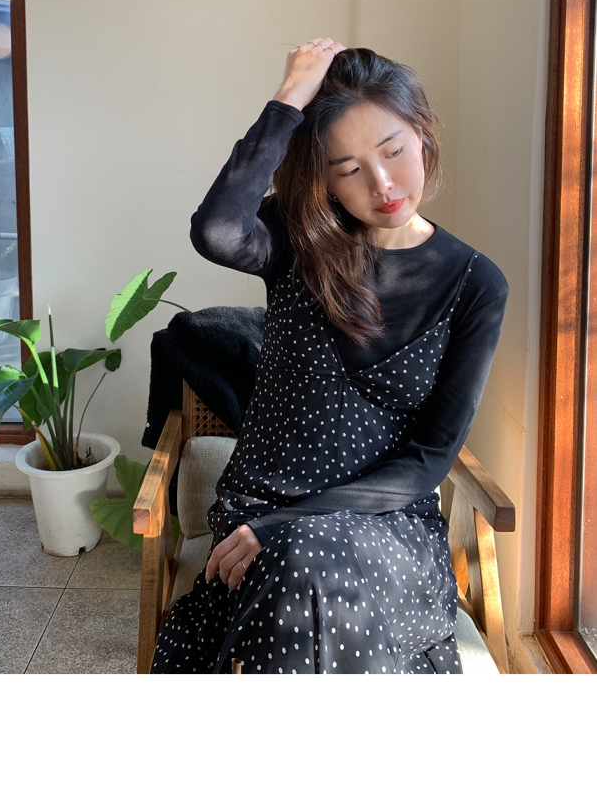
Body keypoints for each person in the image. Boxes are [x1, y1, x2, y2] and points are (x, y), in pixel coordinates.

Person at [150, 39, 508, 674]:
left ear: (423, 135)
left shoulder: (475, 283)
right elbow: (216, 230)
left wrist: (292, 524)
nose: (383, 184)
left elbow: (429, 458)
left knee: (305, 560)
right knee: (302, 567)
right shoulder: (300, 239)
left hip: (385, 525)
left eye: (394, 151)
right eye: (348, 169)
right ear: (324, 177)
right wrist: (290, 97)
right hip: (261, 508)